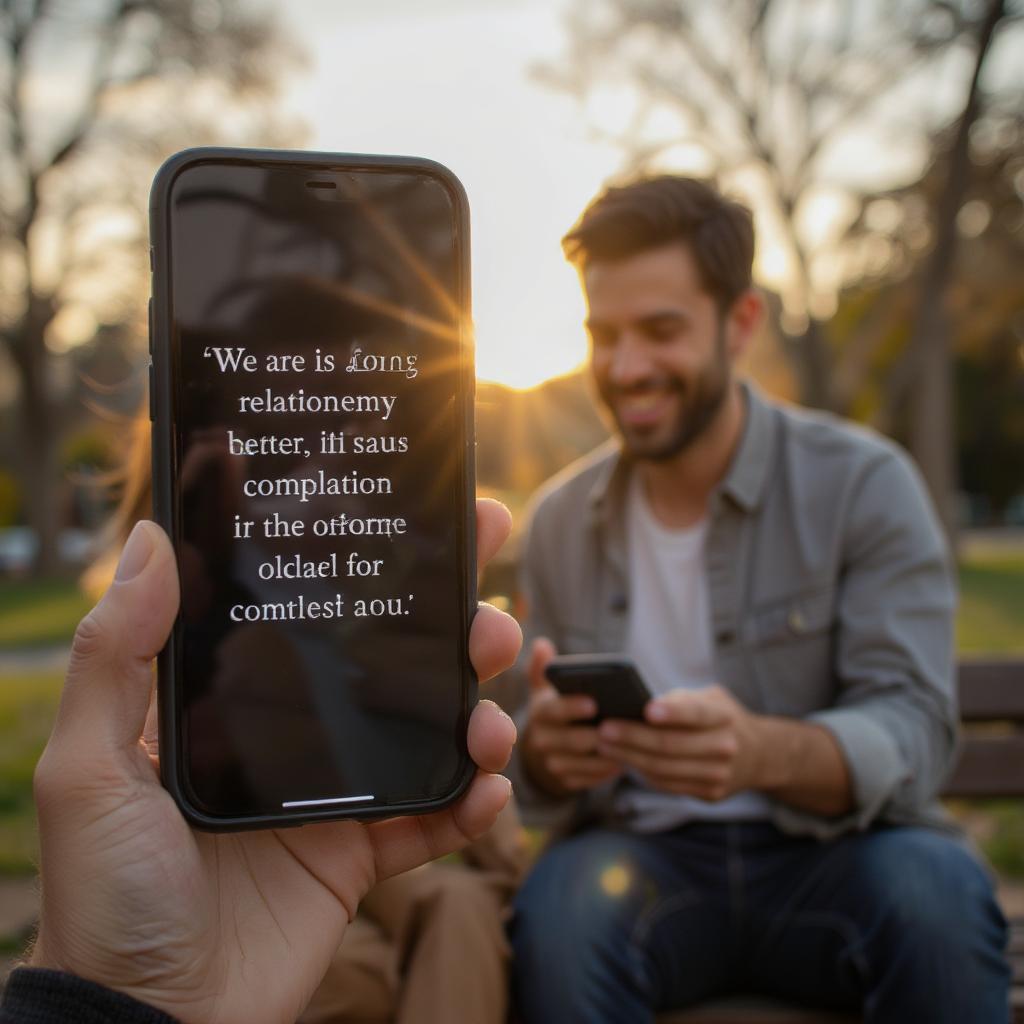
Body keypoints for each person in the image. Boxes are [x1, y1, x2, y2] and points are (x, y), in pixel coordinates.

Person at [506, 175, 1010, 1023]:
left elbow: (917, 725)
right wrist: (550, 755)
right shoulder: (559, 520)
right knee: (560, 912)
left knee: (937, 894)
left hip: (842, 854)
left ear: (740, 324)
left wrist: (763, 753)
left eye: (660, 331)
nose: (626, 369)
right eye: (604, 334)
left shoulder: (865, 484)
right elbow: (527, 765)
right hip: (642, 863)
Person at [0, 501, 521, 1024]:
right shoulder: (212, 591)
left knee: (459, 907)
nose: (318, 492)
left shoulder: (365, 593)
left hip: (375, 835)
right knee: (367, 969)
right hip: (246, 840)